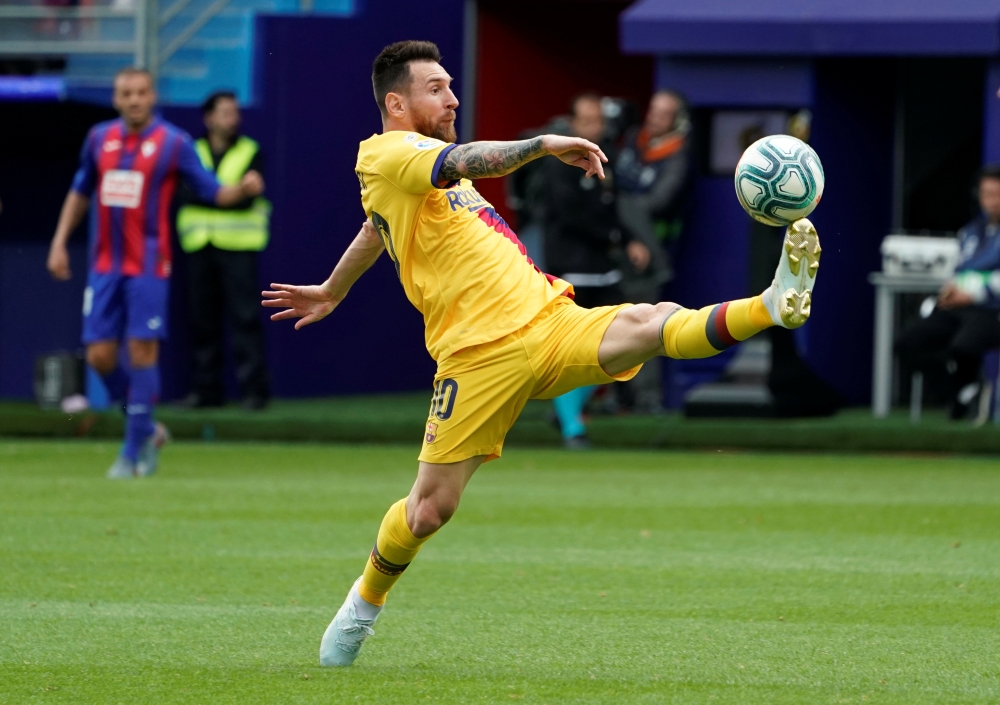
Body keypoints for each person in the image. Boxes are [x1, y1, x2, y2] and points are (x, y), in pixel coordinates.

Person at [261, 40, 821, 667]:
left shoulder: (413, 173)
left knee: (651, 319)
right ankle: (363, 605)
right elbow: (470, 159)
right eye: (436, 88)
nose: (451, 97)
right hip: (476, 356)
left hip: (546, 319)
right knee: (427, 510)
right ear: (397, 102)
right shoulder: (389, 151)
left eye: (451, 85)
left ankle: (773, 304)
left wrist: (334, 288)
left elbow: (376, 225)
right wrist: (543, 145)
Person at [46, 68, 265, 479]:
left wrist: (243, 189)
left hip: (148, 265)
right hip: (104, 267)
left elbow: (212, 190)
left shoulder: (173, 143)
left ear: (152, 97)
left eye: (141, 93)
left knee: (142, 353)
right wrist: (60, 242)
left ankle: (131, 453)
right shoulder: (99, 139)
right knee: (99, 356)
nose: (133, 100)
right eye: (125, 93)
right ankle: (147, 426)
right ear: (116, 98)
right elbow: (80, 191)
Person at [541, 93, 650, 447]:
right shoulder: (558, 160)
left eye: (599, 121)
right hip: (571, 268)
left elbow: (612, 208)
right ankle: (573, 426)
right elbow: (570, 215)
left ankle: (565, 411)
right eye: (587, 122)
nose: (595, 128)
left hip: (605, 268)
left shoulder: (607, 156)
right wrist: (616, 238)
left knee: (622, 345)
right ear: (573, 124)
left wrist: (630, 238)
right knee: (573, 350)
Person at [176, 91, 272, 410]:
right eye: (225, 113)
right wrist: (232, 194)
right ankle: (206, 392)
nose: (233, 119)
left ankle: (254, 393)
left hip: (238, 249)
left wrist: (220, 196)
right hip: (199, 246)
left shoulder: (250, 151)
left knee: (245, 320)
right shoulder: (191, 150)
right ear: (209, 118)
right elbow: (188, 194)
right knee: (202, 321)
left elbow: (248, 199)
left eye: (235, 112)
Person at [896, 166, 1000, 420]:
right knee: (907, 343)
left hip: (992, 310)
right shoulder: (970, 232)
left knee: (962, 346)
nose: (992, 201)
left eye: (997, 194)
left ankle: (963, 396)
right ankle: (959, 392)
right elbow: (959, 270)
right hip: (959, 306)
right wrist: (950, 290)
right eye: (987, 194)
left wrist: (976, 294)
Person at [615, 90, 693, 413]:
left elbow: (659, 202)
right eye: (653, 109)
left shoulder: (678, 155)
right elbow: (611, 184)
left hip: (650, 252)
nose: (654, 117)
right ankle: (618, 399)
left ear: (676, 120)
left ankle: (647, 399)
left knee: (645, 327)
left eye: (663, 113)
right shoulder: (634, 139)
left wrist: (634, 228)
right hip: (617, 245)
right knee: (609, 325)